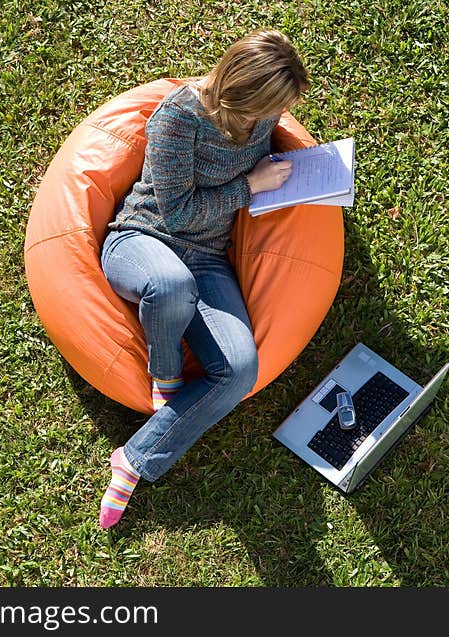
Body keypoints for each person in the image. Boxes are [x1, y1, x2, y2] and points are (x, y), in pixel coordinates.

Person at [97, 29, 310, 529]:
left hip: (208, 258)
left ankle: (134, 458)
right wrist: (249, 186)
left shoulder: (264, 116)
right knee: (171, 284)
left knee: (238, 369)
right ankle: (166, 374)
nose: (272, 120)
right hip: (142, 239)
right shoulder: (178, 119)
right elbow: (176, 214)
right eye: (266, 110)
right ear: (240, 96)